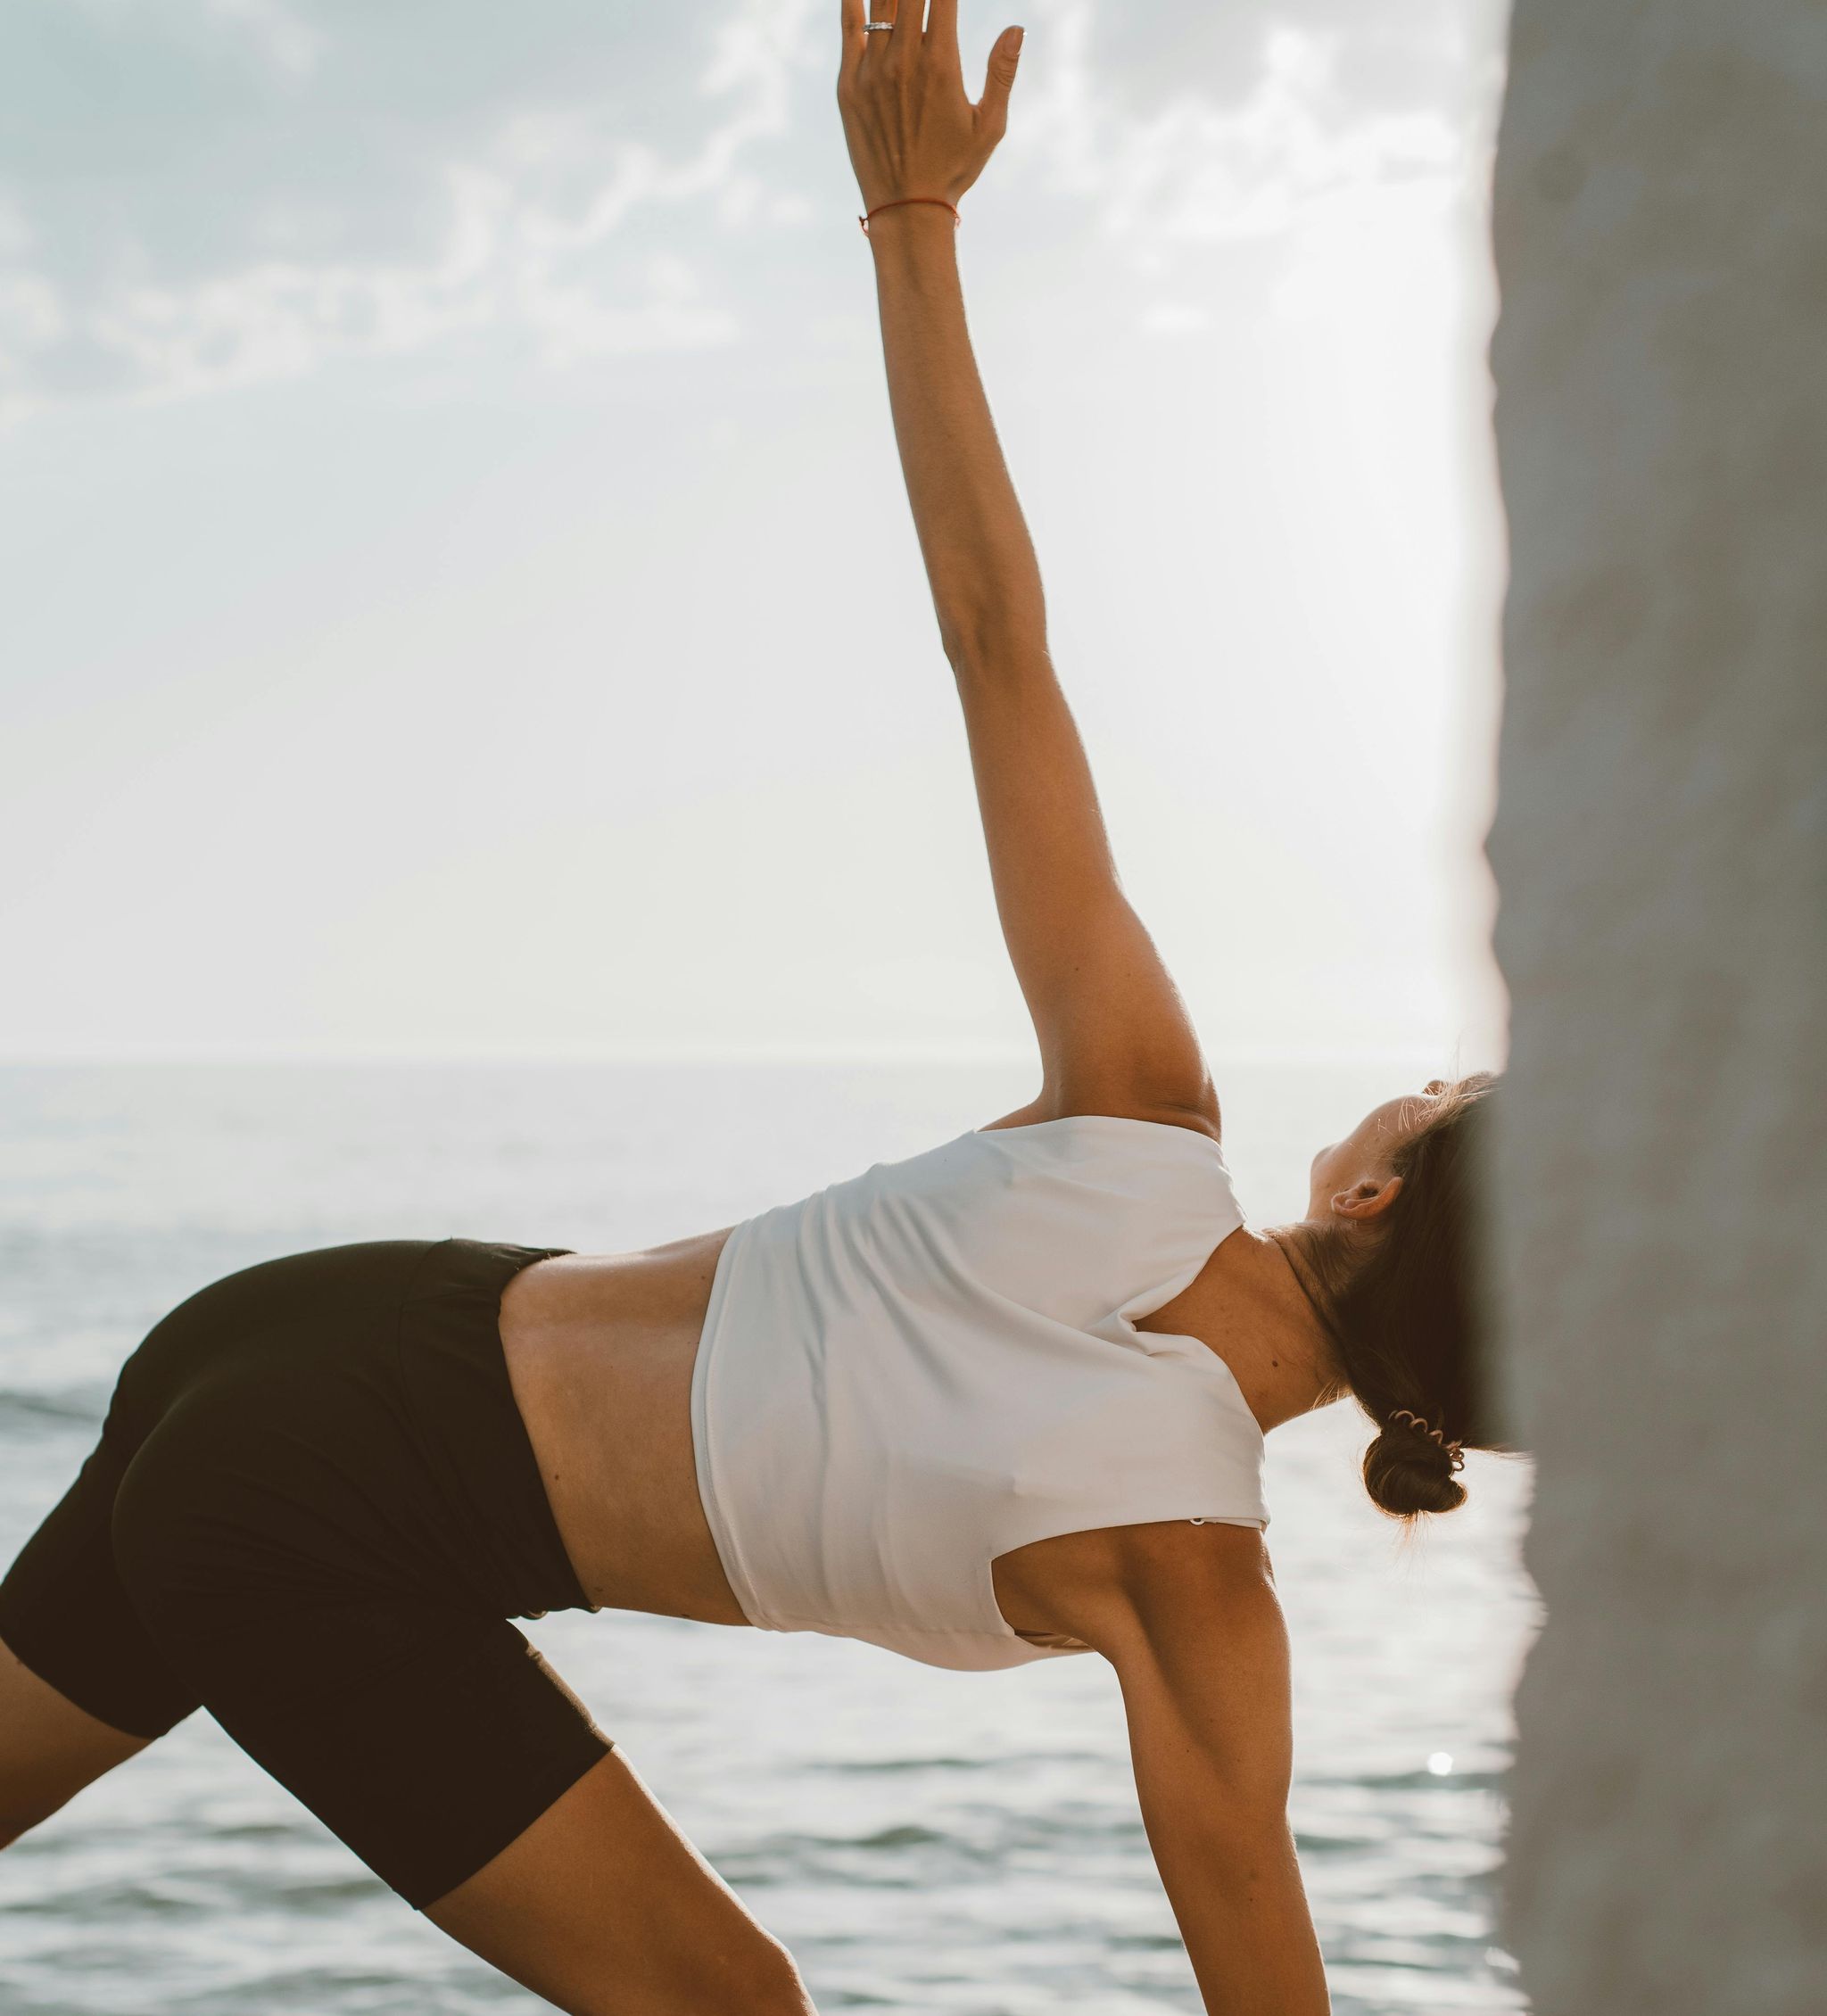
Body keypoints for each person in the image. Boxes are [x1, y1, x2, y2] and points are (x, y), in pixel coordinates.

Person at [0, 7, 1500, 2012]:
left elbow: (996, 641)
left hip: (320, 1326)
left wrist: (910, 220)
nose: (1425, 1076)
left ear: (1379, 1194)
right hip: (333, 1498)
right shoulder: (1197, 1588)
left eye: (1445, 1091)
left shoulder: (1140, 1118)